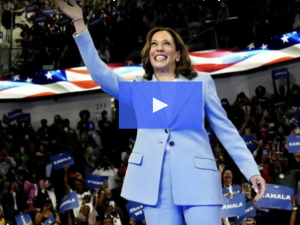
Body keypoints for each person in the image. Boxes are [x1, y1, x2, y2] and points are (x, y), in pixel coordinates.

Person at [55, 0, 266, 224]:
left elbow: (226, 130)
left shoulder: (201, 82)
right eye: (154, 44)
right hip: (154, 187)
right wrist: (79, 23)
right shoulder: (139, 87)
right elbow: (100, 75)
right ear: (149, 54)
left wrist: (252, 170)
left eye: (166, 43)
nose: (159, 47)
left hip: (198, 181)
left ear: (177, 55)